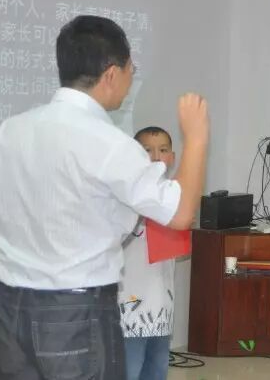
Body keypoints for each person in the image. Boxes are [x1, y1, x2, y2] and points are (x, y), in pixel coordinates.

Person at [0, 16, 209, 380]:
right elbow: (180, 214)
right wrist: (196, 138)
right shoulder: (110, 142)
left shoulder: (11, 130)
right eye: (131, 70)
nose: (130, 80)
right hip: (76, 311)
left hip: (8, 308)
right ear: (111, 74)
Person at [120, 126, 179, 380]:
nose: (156, 157)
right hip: (129, 306)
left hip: (161, 306)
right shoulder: (125, 195)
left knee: (156, 371)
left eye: (163, 150)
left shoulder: (173, 197)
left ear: (172, 157)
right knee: (128, 371)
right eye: (147, 150)